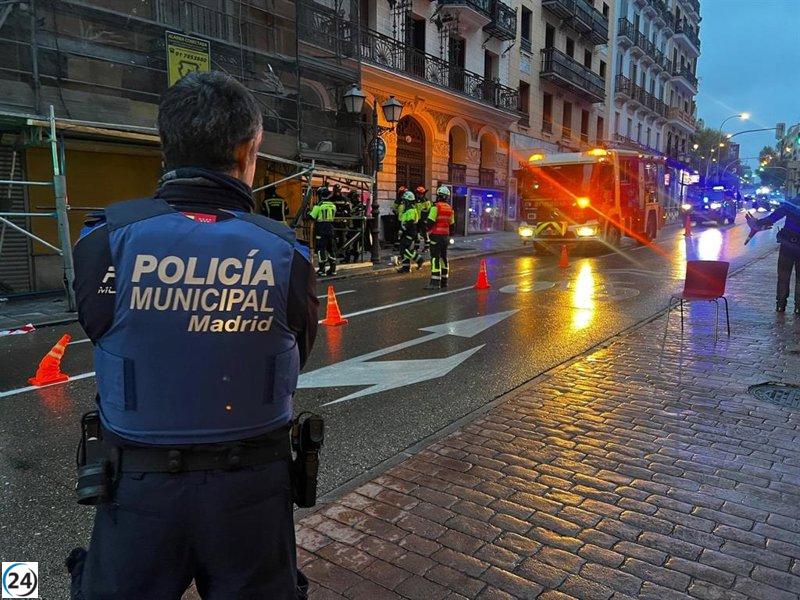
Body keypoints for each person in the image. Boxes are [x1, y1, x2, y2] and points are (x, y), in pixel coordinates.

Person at [65, 71, 318, 600]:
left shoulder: (103, 239)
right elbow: (300, 349)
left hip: (138, 488)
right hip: (252, 490)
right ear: (249, 150)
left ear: (165, 146)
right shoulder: (286, 250)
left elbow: (99, 326)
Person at [752, 196, 800, 313]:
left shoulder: (791, 204)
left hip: (788, 245)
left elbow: (773, 217)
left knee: (783, 277)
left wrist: (758, 222)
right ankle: (798, 308)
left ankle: (780, 305)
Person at [425, 186, 455, 289]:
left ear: (438, 195)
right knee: (444, 258)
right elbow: (452, 225)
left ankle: (434, 282)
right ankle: (444, 281)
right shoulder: (450, 209)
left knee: (435, 258)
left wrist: (425, 228)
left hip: (435, 236)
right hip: (445, 237)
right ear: (447, 197)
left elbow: (430, 222)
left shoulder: (435, 207)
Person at [309, 186, 338, 276]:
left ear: (320, 195)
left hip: (321, 228)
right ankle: (333, 269)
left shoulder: (319, 206)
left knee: (321, 249)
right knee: (330, 249)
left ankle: (322, 270)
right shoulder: (333, 205)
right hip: (331, 227)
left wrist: (308, 212)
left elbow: (312, 217)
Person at [397, 190, 423, 273]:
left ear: (408, 201)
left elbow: (410, 222)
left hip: (410, 232)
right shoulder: (407, 210)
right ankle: (406, 268)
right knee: (405, 249)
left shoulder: (411, 210)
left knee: (403, 249)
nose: (404, 202)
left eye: (405, 201)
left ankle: (419, 259)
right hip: (407, 232)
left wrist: (402, 229)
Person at [414, 186, 431, 254]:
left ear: (423, 194)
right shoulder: (415, 201)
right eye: (418, 193)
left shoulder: (426, 201)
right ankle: (416, 247)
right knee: (417, 234)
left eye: (420, 193)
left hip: (423, 220)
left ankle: (427, 247)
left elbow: (429, 210)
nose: (419, 195)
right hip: (417, 220)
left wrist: (426, 219)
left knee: (425, 234)